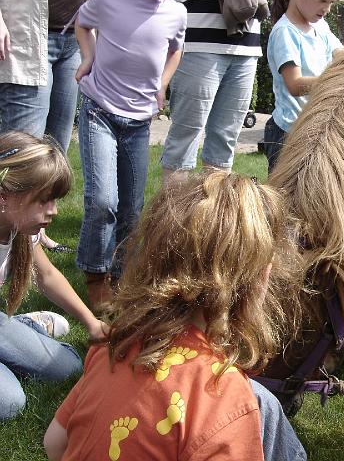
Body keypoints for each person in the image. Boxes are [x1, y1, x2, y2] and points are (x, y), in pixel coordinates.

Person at [43, 172, 307, 460]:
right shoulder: (224, 397)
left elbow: (54, 444)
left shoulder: (113, 347)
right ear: (261, 278)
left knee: (262, 400)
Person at [74, 0, 187, 310]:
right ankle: (96, 277)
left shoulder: (177, 12)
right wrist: (88, 57)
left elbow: (175, 49)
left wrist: (162, 84)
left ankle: (121, 279)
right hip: (100, 112)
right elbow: (83, 24)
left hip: (139, 123)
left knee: (132, 211)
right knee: (102, 201)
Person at [0, 131, 106, 421]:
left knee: (69, 366)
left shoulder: (19, 230)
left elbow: (46, 275)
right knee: (9, 402)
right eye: (44, 200)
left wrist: (92, 323)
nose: (54, 211)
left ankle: (23, 326)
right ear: (4, 197)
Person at [0, 0, 93, 253]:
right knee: (22, 159)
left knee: (54, 152)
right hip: (25, 35)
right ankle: (14, 247)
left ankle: (34, 237)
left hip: (73, 39)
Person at [160, 0, 271, 184]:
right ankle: (172, 213)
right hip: (199, 41)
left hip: (246, 48)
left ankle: (213, 212)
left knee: (225, 139)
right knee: (185, 135)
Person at [263, 0, 344, 173]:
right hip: (287, 134)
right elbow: (294, 84)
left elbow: (342, 54)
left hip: (314, 127)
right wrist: (335, 80)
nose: (327, 9)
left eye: (332, 2)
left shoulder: (321, 27)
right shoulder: (286, 32)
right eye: (323, 0)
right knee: (283, 195)